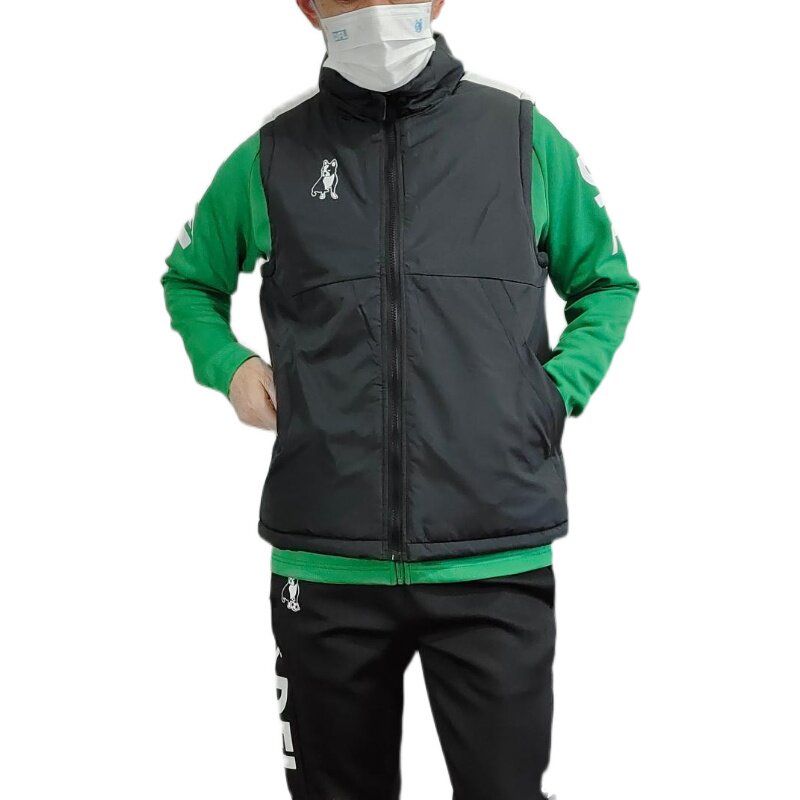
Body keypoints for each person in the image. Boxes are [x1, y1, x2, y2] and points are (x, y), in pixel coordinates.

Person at [161, 1, 640, 797]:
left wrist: (550, 395)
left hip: (494, 551)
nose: (376, 5)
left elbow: (606, 283)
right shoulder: (274, 154)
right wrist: (230, 366)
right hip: (326, 558)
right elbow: (190, 279)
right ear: (308, 6)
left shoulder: (519, 135)